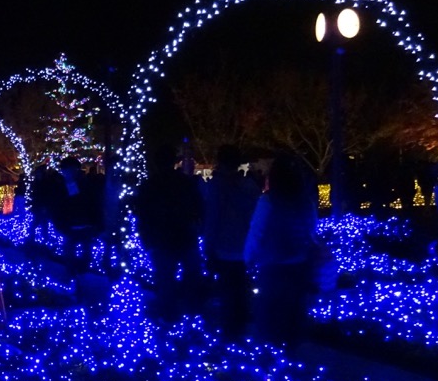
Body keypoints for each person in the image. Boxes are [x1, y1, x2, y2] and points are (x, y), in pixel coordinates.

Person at [244, 152, 318, 346]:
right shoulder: (306, 202)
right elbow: (312, 232)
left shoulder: (268, 201)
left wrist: (248, 257)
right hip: (299, 268)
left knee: (269, 319)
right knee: (293, 319)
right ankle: (291, 359)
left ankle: (272, 364)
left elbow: (257, 232)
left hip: (272, 267)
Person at [132, 143, 204, 322]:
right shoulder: (185, 182)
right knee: (190, 276)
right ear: (174, 161)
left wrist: (146, 239)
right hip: (184, 235)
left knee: (165, 278)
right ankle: (191, 314)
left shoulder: (150, 185)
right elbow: (198, 207)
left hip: (161, 238)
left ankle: (169, 315)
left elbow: (141, 213)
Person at [203, 144, 261, 339]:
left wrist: (208, 246)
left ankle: (230, 334)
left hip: (224, 247)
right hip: (245, 247)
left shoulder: (217, 187)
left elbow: (212, 218)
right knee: (241, 291)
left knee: (227, 293)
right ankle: (241, 330)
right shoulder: (250, 186)